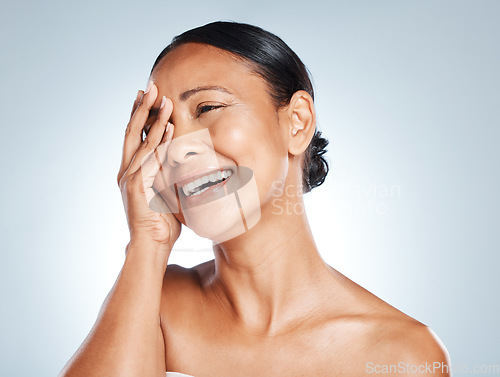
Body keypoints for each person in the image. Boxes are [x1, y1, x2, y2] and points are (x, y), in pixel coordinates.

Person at [59, 21, 450, 377]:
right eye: (158, 128)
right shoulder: (152, 305)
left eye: (208, 107)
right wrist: (147, 242)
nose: (178, 146)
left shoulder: (402, 355)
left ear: (296, 122)